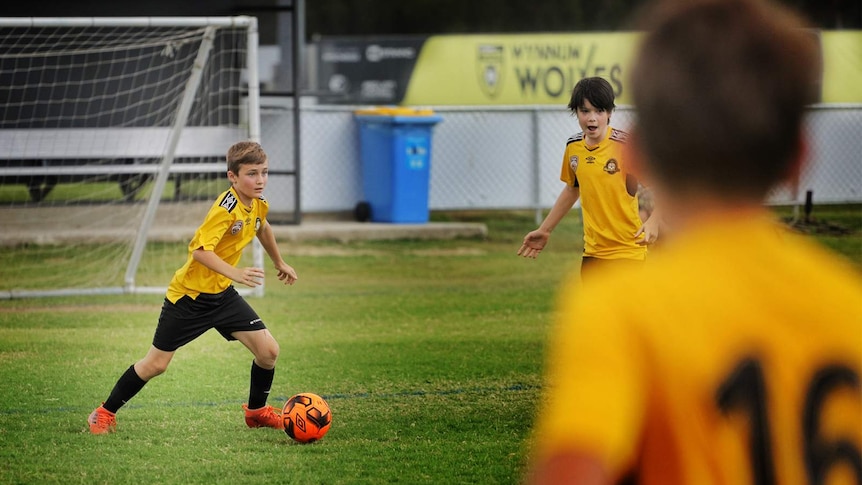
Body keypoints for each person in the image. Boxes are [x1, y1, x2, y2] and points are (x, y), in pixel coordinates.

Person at [525, 0, 862, 483]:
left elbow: (574, 468)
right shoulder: (849, 307)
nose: (589, 118)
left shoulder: (621, 310)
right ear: (798, 160)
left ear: (640, 152)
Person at [88, 140, 298, 434]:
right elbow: (199, 250)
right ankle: (103, 413)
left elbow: (262, 226)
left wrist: (279, 262)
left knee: (268, 351)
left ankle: (256, 413)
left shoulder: (259, 204)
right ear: (232, 177)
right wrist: (235, 272)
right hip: (189, 298)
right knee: (156, 365)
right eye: (252, 174)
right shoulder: (226, 208)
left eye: (264, 172)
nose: (260, 180)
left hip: (222, 296)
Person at [517, 76, 660, 280]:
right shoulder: (573, 147)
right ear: (576, 112)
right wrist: (545, 230)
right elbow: (572, 189)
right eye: (585, 111)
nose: (592, 118)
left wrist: (654, 220)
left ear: (609, 113)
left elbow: (663, 186)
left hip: (628, 251)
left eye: (599, 111)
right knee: (595, 312)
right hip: (593, 253)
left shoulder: (625, 147)